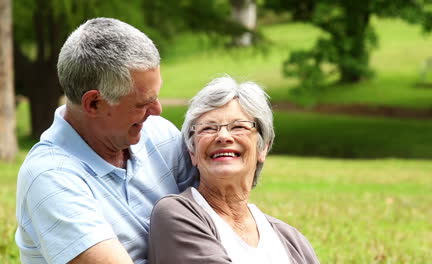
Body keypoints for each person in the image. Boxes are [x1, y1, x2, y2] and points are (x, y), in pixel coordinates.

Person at [15, 17, 197, 264]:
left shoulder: (158, 134)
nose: (157, 110)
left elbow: (221, 219)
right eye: (143, 103)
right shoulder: (51, 176)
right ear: (94, 103)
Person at [148, 76, 320, 264]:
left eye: (238, 126)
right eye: (208, 128)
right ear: (192, 152)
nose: (223, 136)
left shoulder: (291, 240)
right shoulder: (177, 214)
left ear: (262, 148)